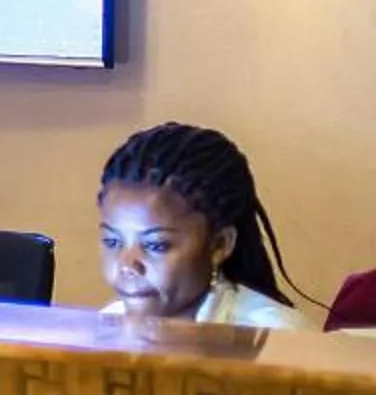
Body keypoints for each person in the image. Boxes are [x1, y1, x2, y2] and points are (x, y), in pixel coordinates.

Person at [97, 122, 307, 330]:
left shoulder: (276, 337)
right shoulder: (105, 327)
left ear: (219, 245)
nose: (127, 265)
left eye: (156, 246)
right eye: (112, 241)